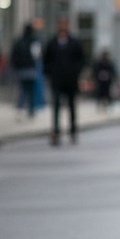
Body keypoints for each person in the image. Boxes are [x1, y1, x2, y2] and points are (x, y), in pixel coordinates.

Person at [43, 15, 85, 145]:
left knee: (71, 106)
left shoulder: (74, 43)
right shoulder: (52, 43)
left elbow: (81, 59)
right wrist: (49, 73)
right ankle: (56, 130)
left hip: (71, 80)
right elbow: (46, 60)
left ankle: (73, 129)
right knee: (56, 106)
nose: (62, 27)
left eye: (64, 24)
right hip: (57, 80)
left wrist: (76, 71)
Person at [10, 23, 39, 118]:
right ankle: (31, 110)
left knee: (23, 90)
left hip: (21, 69)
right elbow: (37, 55)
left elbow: (14, 56)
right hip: (30, 68)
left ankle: (20, 108)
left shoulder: (19, 41)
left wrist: (16, 67)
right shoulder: (34, 41)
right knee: (30, 90)